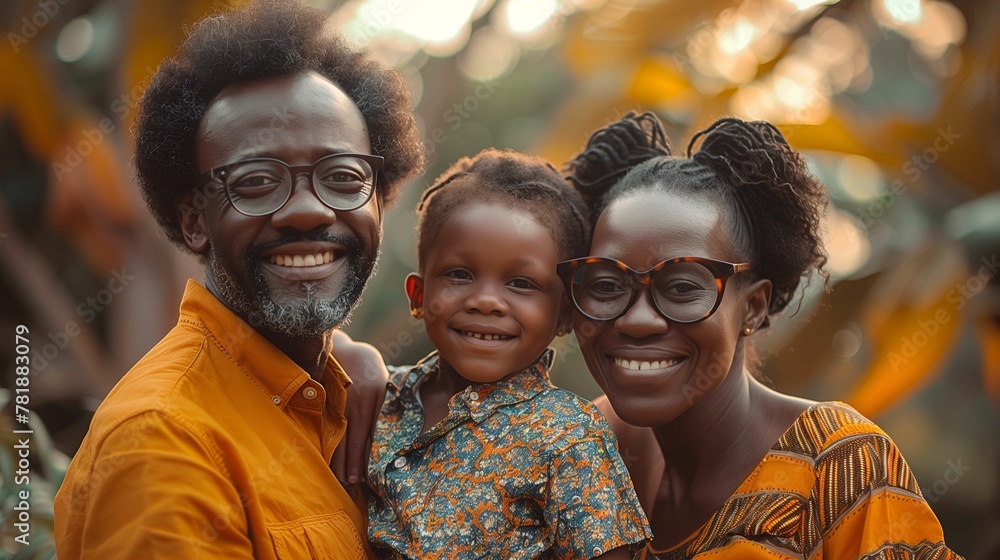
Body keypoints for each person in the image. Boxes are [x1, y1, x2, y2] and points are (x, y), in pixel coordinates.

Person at [53, 1, 423, 558]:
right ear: (195, 220)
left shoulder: (360, 406)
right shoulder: (164, 441)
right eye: (256, 181)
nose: (307, 211)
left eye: (344, 176)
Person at [559, 112, 964, 559]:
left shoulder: (837, 465)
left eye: (681, 288)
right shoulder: (580, 450)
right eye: (606, 286)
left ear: (751, 307)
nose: (636, 321)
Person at [365, 149, 651, 559]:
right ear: (419, 295)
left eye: (521, 283)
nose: (486, 301)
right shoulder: (376, 396)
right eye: (460, 274)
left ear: (566, 314)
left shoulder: (569, 436)